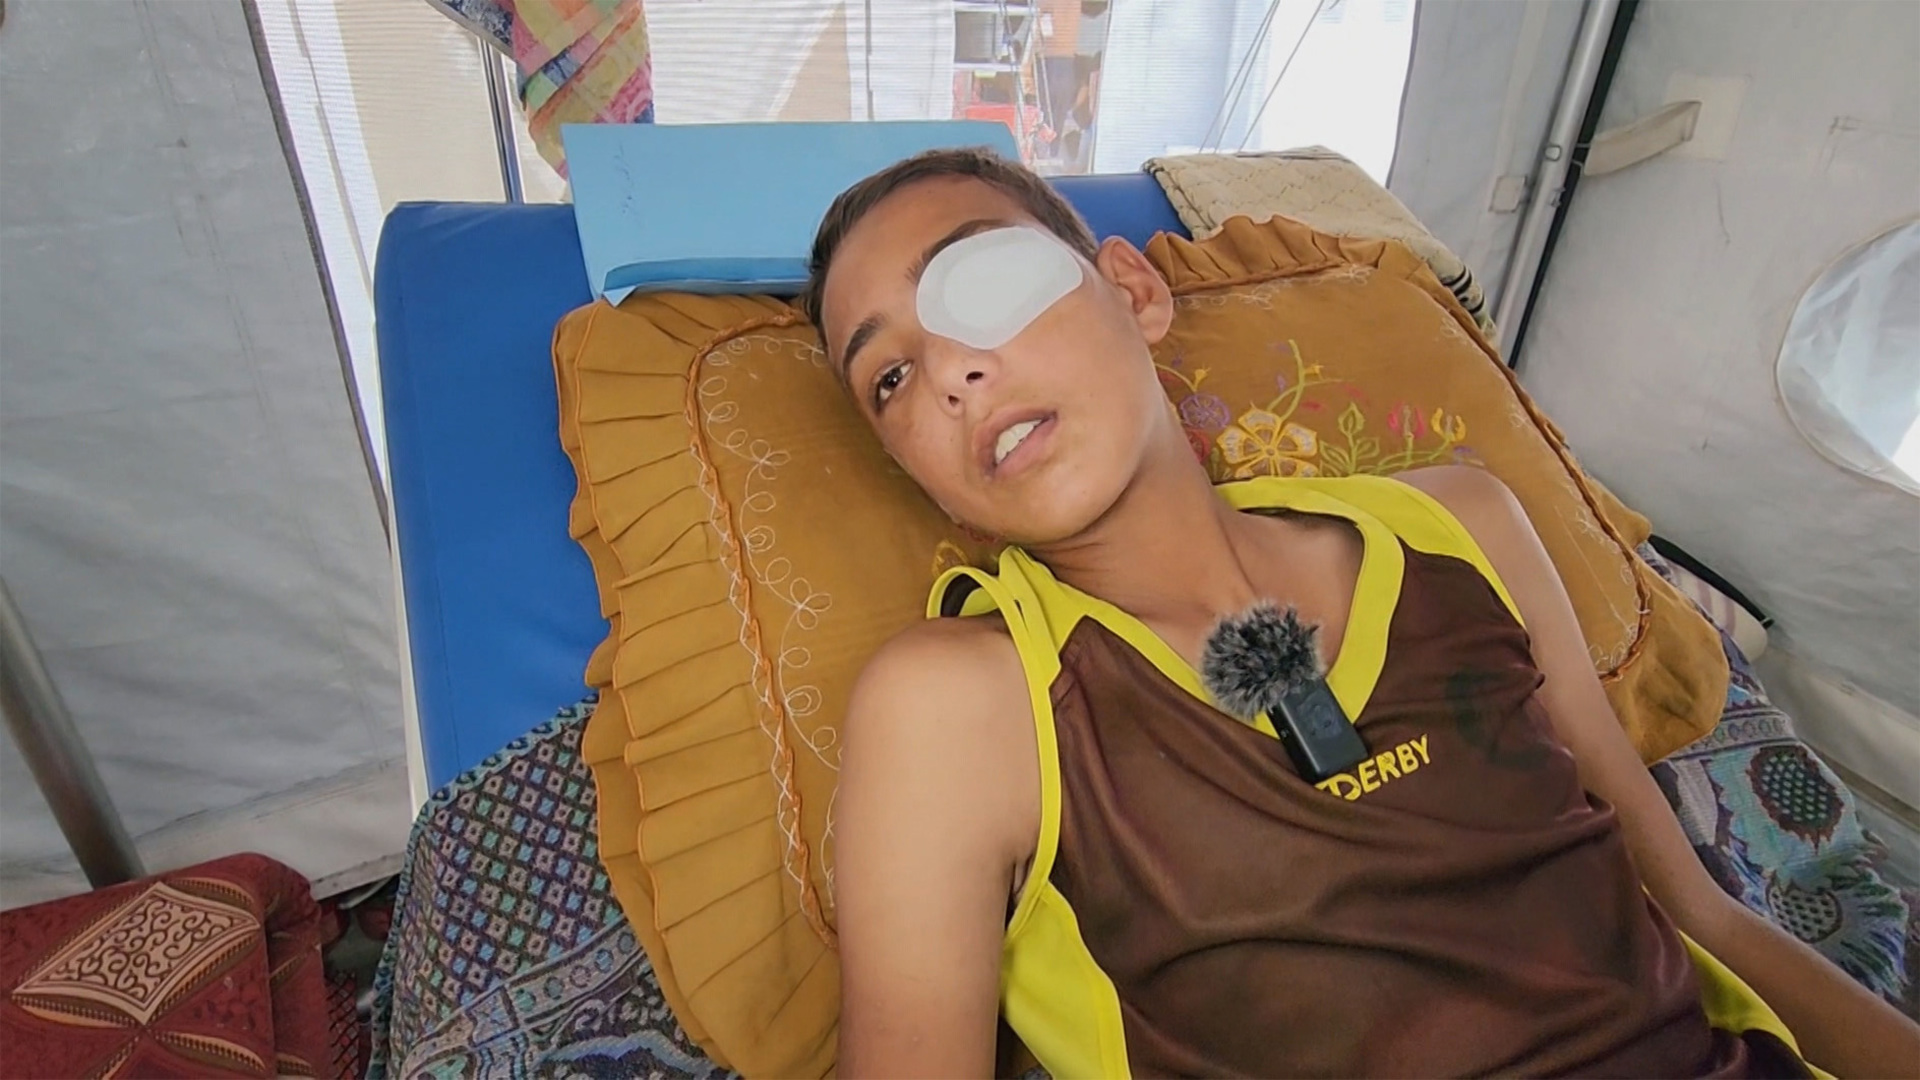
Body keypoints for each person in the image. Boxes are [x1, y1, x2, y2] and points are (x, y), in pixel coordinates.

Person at [797, 148, 1920, 1079]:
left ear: (1134, 293)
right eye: (889, 378)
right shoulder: (961, 703)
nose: (949, 372)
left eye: (982, 284)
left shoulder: (1462, 522)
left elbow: (1699, 917)